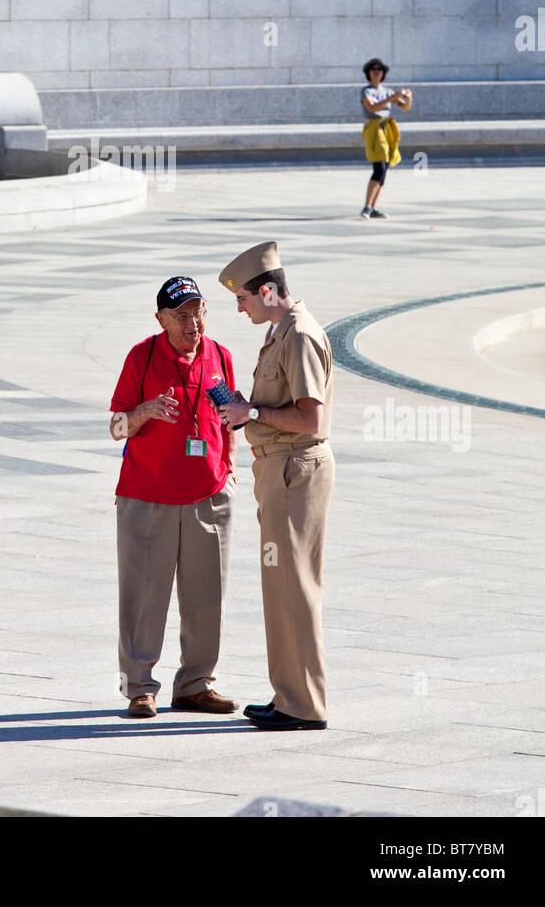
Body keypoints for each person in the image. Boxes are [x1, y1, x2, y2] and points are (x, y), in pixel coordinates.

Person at [216, 241, 335, 731]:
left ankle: (304, 705)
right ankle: (289, 694)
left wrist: (254, 413)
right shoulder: (280, 331)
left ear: (267, 291)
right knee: (281, 585)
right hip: (279, 470)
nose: (239, 307)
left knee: (295, 586)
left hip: (294, 469)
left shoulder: (299, 335)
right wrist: (252, 412)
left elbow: (311, 418)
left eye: (242, 298)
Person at [109, 275, 239, 718]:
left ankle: (196, 685)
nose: (193, 323)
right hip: (148, 497)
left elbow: (229, 418)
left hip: (208, 496)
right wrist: (144, 411)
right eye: (182, 315)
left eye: (198, 312)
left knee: (207, 597)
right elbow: (115, 428)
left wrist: (230, 471)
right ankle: (139, 688)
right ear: (161, 319)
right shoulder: (142, 358)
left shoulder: (219, 356)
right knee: (143, 598)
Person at [360, 58, 413, 220]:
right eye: (373, 69)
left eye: (379, 70)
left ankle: (373, 207)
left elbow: (404, 107)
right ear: (368, 73)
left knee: (384, 168)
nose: (376, 72)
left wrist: (408, 98)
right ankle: (367, 206)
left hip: (387, 129)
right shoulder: (366, 91)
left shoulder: (387, 91)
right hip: (374, 129)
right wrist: (391, 98)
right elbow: (372, 107)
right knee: (379, 166)